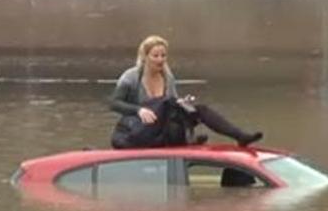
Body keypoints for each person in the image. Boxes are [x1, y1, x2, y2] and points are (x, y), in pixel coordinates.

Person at [109, 35, 263, 149]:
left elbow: (171, 104)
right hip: (139, 130)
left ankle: (240, 136)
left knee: (199, 109)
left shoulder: (167, 77)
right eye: (155, 56)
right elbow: (114, 103)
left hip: (162, 128)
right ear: (145, 57)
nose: (160, 60)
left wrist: (183, 103)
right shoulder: (131, 77)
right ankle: (187, 142)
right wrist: (138, 110)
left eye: (163, 56)